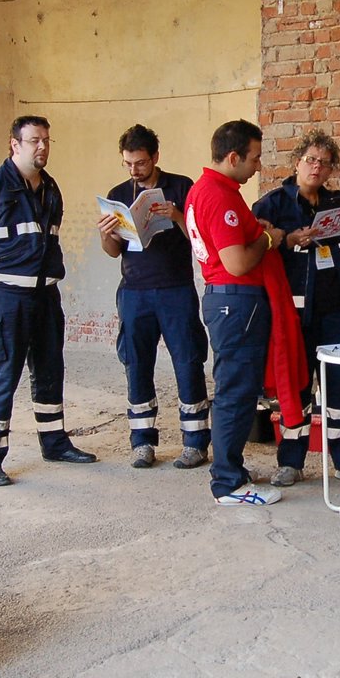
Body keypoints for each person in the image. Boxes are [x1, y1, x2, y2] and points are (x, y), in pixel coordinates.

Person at [0, 115, 98, 487]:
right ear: (14, 145)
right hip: (4, 299)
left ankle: (54, 442)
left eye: (46, 140)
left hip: (45, 295)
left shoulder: (50, 188)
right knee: (3, 373)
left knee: (50, 370)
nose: (42, 147)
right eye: (34, 140)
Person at [252, 129, 340, 488]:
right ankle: (291, 461)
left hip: (335, 311)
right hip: (292, 314)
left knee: (338, 391)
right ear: (297, 162)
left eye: (325, 162)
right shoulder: (273, 205)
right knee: (296, 390)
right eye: (311, 160)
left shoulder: (337, 202)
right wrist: (287, 240)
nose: (317, 167)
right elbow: (254, 244)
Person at [96, 124, 211, 471]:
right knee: (136, 363)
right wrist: (106, 234)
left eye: (141, 163)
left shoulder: (181, 186)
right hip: (134, 291)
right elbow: (113, 251)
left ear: (156, 157)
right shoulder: (119, 193)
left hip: (175, 288)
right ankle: (142, 442)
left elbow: (199, 236)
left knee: (188, 361)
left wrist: (175, 214)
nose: (135, 170)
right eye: (129, 164)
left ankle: (195, 443)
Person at [185, 120, 287, 507]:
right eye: (255, 158)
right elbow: (238, 261)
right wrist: (267, 238)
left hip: (228, 299)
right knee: (236, 392)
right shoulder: (219, 195)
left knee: (238, 389)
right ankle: (227, 481)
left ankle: (231, 470)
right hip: (236, 300)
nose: (258, 167)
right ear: (233, 157)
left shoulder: (207, 190)